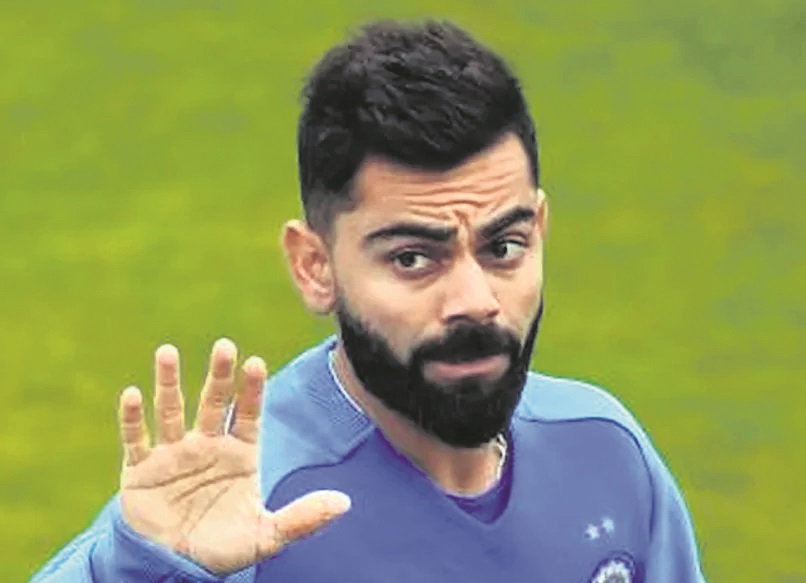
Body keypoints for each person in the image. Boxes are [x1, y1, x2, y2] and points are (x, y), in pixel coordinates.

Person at [31, 19, 707, 583]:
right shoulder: (236, 507)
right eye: (413, 258)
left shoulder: (605, 451)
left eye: (504, 246)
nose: (476, 301)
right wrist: (136, 570)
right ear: (314, 266)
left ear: (542, 228)